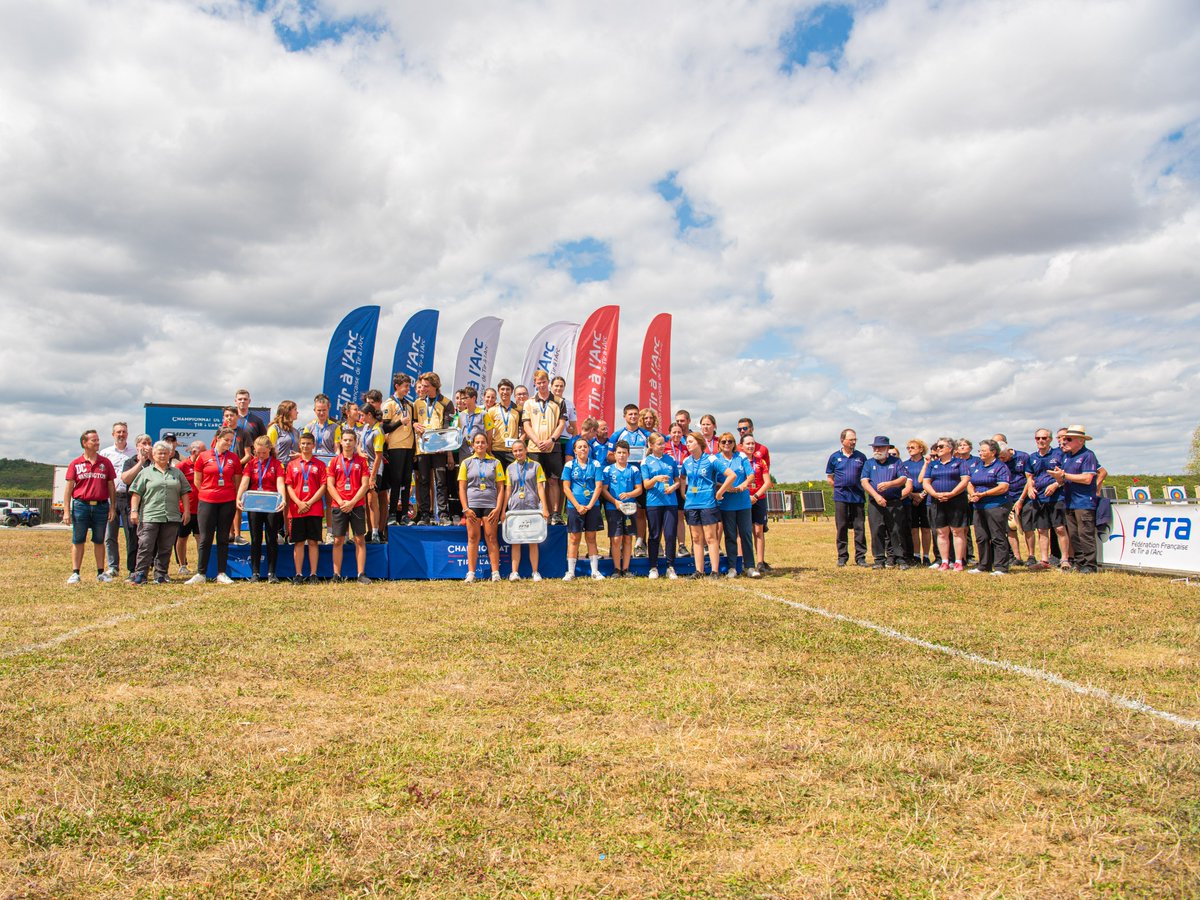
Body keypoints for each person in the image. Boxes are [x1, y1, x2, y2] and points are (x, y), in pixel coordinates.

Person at [128, 440, 192, 584]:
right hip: (150, 515)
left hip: (171, 516)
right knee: (145, 546)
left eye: (165, 453)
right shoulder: (145, 473)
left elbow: (184, 492)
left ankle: (161, 575)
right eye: (159, 453)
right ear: (153, 455)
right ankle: (141, 574)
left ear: (170, 455)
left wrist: (186, 511)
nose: (162, 456)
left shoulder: (177, 473)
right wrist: (134, 511)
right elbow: (136, 493)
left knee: (166, 547)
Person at [63, 429, 119, 584]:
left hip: (101, 506)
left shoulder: (105, 462)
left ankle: (101, 572)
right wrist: (66, 511)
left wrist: (112, 507)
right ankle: (75, 573)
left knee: (99, 540)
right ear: (84, 443)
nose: (97, 443)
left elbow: (111, 486)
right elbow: (69, 488)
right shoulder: (76, 463)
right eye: (94, 440)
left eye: (98, 440)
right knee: (78, 539)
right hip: (81, 505)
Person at [188, 427, 242, 585]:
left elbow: (237, 481)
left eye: (231, 441)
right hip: (207, 501)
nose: (229, 443)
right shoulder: (204, 456)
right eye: (226, 440)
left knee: (223, 538)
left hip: (227, 501)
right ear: (217, 438)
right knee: (205, 538)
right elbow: (197, 480)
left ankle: (221, 573)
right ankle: (201, 573)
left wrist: (230, 495)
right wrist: (208, 493)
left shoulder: (233, 458)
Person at [680, 431, 732, 580]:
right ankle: (699, 571)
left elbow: (731, 475)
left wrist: (719, 492)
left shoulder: (711, 459)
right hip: (691, 504)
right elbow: (682, 477)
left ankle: (714, 571)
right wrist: (684, 493)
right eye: (687, 442)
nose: (688, 444)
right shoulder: (686, 461)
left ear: (699, 442)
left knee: (710, 537)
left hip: (707, 503)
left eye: (690, 442)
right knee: (696, 538)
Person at [458, 431, 506, 582]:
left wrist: (498, 508)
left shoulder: (496, 463)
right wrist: (466, 509)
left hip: (490, 505)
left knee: (491, 537)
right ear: (473, 445)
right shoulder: (466, 463)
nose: (480, 445)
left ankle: (495, 573)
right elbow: (462, 488)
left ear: (487, 444)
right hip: (472, 505)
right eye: (477, 442)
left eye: (483, 442)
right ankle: (471, 573)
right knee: (473, 538)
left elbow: (501, 488)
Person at [1052, 425, 1101, 574]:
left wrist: (1064, 475)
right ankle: (1080, 562)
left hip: (1084, 501)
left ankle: (1090, 564)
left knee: (1085, 534)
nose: (1064, 442)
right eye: (1064, 439)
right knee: (1073, 534)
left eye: (1068, 439)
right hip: (1070, 501)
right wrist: (1058, 478)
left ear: (1080, 440)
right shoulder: (1067, 457)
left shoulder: (1088, 455)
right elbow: (1064, 479)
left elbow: (1087, 478)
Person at [237, 435, 286, 583]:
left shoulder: (277, 464)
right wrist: (238, 498)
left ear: (270, 449)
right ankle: (255, 573)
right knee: (256, 539)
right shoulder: (251, 464)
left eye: (263, 453)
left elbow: (280, 483)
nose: (260, 455)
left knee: (271, 539)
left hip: (271, 505)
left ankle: (272, 573)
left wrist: (283, 499)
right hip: (254, 505)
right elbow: (244, 482)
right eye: (258, 453)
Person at [327, 430, 372, 584]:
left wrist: (352, 502)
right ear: (341, 442)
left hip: (357, 504)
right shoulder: (334, 461)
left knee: (359, 539)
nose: (347, 443)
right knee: (338, 540)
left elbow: (365, 485)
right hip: (339, 505)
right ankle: (336, 575)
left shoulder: (362, 461)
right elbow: (330, 485)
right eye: (345, 440)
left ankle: (361, 574)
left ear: (355, 442)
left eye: (350, 440)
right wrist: (341, 502)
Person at [860, 435, 911, 570]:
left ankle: (900, 558)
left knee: (896, 530)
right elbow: (864, 482)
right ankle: (879, 559)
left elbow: (903, 479)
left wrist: (889, 484)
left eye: (880, 447)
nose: (877, 450)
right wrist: (876, 496)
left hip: (894, 502)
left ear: (887, 448)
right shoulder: (869, 463)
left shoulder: (896, 462)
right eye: (875, 447)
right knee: (876, 530)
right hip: (875, 503)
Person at [922, 437, 971, 572]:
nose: (938, 449)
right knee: (941, 532)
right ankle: (944, 561)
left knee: (957, 531)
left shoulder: (960, 463)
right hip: (937, 501)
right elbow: (926, 482)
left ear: (950, 448)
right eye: (937, 447)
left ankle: (958, 561)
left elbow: (965, 480)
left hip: (956, 501)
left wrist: (952, 493)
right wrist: (934, 494)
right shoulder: (933, 464)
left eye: (941, 446)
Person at [715, 431, 760, 578]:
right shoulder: (716, 459)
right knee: (730, 535)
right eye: (724, 442)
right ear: (719, 444)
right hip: (726, 503)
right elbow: (713, 480)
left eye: (730, 441)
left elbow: (751, 475)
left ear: (734, 444)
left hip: (743, 502)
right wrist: (725, 487)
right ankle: (732, 567)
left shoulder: (741, 456)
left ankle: (750, 566)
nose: (727, 444)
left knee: (746, 534)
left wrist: (743, 485)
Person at [522, 370, 565, 525]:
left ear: (548, 382)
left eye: (544, 382)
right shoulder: (529, 403)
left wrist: (551, 440)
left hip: (553, 446)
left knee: (553, 481)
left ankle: (555, 514)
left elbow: (561, 424)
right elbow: (526, 425)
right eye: (538, 383)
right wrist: (537, 440)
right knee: (536, 482)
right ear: (535, 384)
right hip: (534, 448)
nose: (541, 385)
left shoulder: (559, 401)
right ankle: (536, 512)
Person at [502, 438, 548, 581]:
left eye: (520, 450)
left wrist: (545, 507)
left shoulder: (536, 466)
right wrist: (503, 510)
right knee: (515, 540)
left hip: (532, 507)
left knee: (533, 541)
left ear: (526, 450)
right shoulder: (510, 468)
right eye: (515, 451)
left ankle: (535, 572)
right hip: (515, 508)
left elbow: (540, 488)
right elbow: (508, 490)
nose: (518, 453)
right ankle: (514, 572)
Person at [413, 372, 455, 525]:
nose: (422, 388)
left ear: (434, 386)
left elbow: (447, 426)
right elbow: (414, 421)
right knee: (424, 481)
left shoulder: (446, 403)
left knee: (441, 481)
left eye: (426, 386)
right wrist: (414, 424)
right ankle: (425, 514)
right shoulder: (417, 402)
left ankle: (443, 514)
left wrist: (441, 443)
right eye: (422, 385)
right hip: (423, 448)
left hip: (439, 448)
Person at [285, 432, 327, 583]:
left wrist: (309, 503)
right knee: (299, 542)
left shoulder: (320, 465)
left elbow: (323, 486)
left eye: (308, 443)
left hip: (314, 509)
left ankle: (313, 574)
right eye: (303, 443)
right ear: (299, 445)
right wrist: (299, 503)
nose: (305, 446)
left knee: (313, 542)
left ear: (313, 445)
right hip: (297, 509)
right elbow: (289, 486)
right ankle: (298, 574)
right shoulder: (292, 465)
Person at [1025, 427, 1070, 570]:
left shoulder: (1059, 454)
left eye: (1044, 438)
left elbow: (1065, 474)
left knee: (1060, 528)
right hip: (1039, 499)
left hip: (1057, 497)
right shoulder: (1032, 457)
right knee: (1042, 529)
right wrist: (1030, 487)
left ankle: (1065, 559)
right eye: (1038, 438)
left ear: (1050, 439)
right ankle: (1044, 560)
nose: (1041, 441)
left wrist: (1056, 485)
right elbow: (1029, 476)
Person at [562, 436, 605, 581]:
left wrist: (590, 505)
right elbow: (566, 488)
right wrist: (577, 505)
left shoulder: (596, 464)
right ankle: (570, 572)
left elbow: (599, 486)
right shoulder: (569, 465)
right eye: (579, 447)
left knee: (591, 537)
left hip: (592, 506)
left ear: (589, 449)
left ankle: (595, 571)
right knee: (574, 538)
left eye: (585, 447)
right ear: (574, 451)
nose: (583, 449)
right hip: (574, 506)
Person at [967, 439, 1012, 576]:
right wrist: (972, 494)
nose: (980, 453)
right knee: (981, 536)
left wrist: (984, 494)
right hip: (978, 506)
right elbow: (970, 482)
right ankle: (984, 565)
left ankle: (1001, 567)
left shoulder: (1000, 467)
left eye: (983, 450)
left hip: (996, 505)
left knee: (997, 536)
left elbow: (1003, 487)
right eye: (979, 450)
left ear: (993, 452)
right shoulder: (977, 465)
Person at [612, 403, 651, 555]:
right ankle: (620, 544)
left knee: (641, 513)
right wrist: (624, 459)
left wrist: (645, 459)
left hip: (642, 478)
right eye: (630, 414)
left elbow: (653, 454)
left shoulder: (646, 435)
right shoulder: (617, 435)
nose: (633, 417)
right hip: (624, 479)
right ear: (625, 416)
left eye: (635, 414)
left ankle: (640, 543)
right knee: (623, 512)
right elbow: (609, 456)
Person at [826, 428, 868, 567]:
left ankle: (860, 557)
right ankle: (842, 557)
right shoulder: (834, 457)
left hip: (858, 497)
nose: (853, 442)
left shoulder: (861, 457)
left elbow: (866, 476)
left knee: (859, 527)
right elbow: (830, 478)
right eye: (851, 439)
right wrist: (839, 487)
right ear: (842, 440)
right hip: (841, 497)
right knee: (842, 527)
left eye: (855, 439)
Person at [641, 432, 680, 579]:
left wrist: (674, 487)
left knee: (670, 534)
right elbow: (646, 485)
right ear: (651, 445)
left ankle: (670, 567)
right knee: (654, 535)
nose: (663, 446)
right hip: (654, 502)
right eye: (659, 444)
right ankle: (653, 567)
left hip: (671, 502)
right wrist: (656, 478)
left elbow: (677, 480)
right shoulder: (645, 462)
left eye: (664, 443)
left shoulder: (670, 459)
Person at [99, 421, 136, 577]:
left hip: (128, 497)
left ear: (127, 434)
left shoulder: (134, 452)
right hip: (111, 498)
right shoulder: (105, 453)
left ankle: (132, 568)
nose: (121, 434)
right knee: (110, 535)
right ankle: (113, 566)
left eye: (124, 432)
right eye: (118, 432)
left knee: (131, 534)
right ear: (113, 434)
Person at [600, 440, 642, 577]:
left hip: (629, 508)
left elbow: (639, 490)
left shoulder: (634, 470)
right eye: (619, 452)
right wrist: (615, 502)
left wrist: (629, 494)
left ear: (628, 454)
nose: (622, 455)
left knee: (628, 538)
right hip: (613, 508)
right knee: (616, 538)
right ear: (614, 454)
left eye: (624, 453)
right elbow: (603, 490)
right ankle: (617, 569)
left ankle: (626, 569)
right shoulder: (608, 470)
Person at [380, 373, 416, 526]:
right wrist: (400, 422)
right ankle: (393, 514)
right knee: (396, 481)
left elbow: (412, 426)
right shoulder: (389, 404)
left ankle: (405, 515)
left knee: (407, 481)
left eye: (409, 386)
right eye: (405, 386)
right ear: (397, 386)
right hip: (395, 446)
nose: (408, 389)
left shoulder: (409, 404)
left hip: (409, 446)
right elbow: (384, 427)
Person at [117, 433, 155, 579]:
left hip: (152, 506)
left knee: (152, 538)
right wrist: (140, 462)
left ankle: (151, 567)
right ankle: (132, 569)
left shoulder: (156, 461)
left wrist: (151, 459)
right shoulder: (130, 462)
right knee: (133, 538)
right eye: (143, 443)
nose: (147, 446)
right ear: (137, 446)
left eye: (149, 443)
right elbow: (126, 480)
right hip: (133, 506)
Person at [995, 433, 1035, 567]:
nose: (1002, 460)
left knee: (1028, 527)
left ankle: (1031, 556)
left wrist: (1021, 499)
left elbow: (1029, 479)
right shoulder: (999, 462)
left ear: (1009, 450)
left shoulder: (1023, 457)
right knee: (1010, 528)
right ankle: (1017, 557)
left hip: (1024, 496)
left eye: (1003, 457)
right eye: (999, 458)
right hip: (1007, 497)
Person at [740, 432, 772, 572]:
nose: (751, 446)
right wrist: (747, 496)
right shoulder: (738, 461)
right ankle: (741, 561)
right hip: (743, 499)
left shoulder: (760, 461)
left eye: (753, 443)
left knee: (758, 531)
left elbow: (767, 482)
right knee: (742, 531)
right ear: (741, 446)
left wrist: (756, 496)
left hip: (759, 499)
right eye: (748, 443)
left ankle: (760, 562)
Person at [358, 404, 387, 543]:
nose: (360, 418)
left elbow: (378, 456)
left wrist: (373, 476)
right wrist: (359, 453)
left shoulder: (378, 431)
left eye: (362, 415)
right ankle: (369, 531)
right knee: (365, 502)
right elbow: (359, 445)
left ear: (369, 415)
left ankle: (376, 532)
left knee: (372, 500)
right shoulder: (365, 428)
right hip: (363, 470)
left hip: (374, 470)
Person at [175, 440, 204, 576]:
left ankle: (201, 565)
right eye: (202, 452)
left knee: (200, 537)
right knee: (182, 537)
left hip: (202, 508)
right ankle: (182, 565)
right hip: (184, 509)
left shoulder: (205, 465)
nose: (205, 454)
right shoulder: (182, 466)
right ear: (194, 452)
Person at [550, 375, 576, 522]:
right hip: (548, 442)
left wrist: (570, 429)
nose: (558, 388)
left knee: (561, 480)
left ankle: (558, 514)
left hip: (564, 442)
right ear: (551, 387)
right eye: (556, 386)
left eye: (561, 386)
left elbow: (574, 428)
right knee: (549, 480)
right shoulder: (546, 402)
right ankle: (548, 513)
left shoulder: (569, 404)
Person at [903, 439, 932, 566]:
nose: (910, 449)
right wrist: (912, 495)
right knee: (913, 529)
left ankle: (926, 556)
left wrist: (922, 495)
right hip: (910, 499)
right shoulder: (904, 464)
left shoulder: (928, 463)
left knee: (926, 528)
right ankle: (916, 555)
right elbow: (903, 483)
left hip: (926, 498)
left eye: (912, 447)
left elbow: (931, 480)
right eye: (908, 448)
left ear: (921, 449)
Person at [485, 377, 521, 473]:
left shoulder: (518, 410)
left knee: (513, 477)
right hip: (496, 450)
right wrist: (489, 449)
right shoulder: (492, 410)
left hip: (512, 450)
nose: (505, 392)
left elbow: (523, 430)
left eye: (508, 389)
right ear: (498, 391)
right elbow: (488, 431)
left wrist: (519, 446)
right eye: (502, 389)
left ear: (512, 391)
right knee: (498, 478)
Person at [666, 421, 690, 558]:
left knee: (680, 515)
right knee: (665, 516)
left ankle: (681, 545)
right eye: (674, 432)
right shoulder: (664, 446)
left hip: (683, 484)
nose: (676, 435)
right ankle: (663, 546)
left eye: (679, 432)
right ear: (669, 433)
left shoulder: (687, 448)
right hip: (668, 485)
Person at [267, 401, 302, 467]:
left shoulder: (296, 431)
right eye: (295, 409)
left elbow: (300, 450)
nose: (297, 412)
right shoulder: (274, 428)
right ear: (287, 411)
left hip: (294, 467)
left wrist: (299, 455)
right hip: (279, 467)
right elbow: (268, 450)